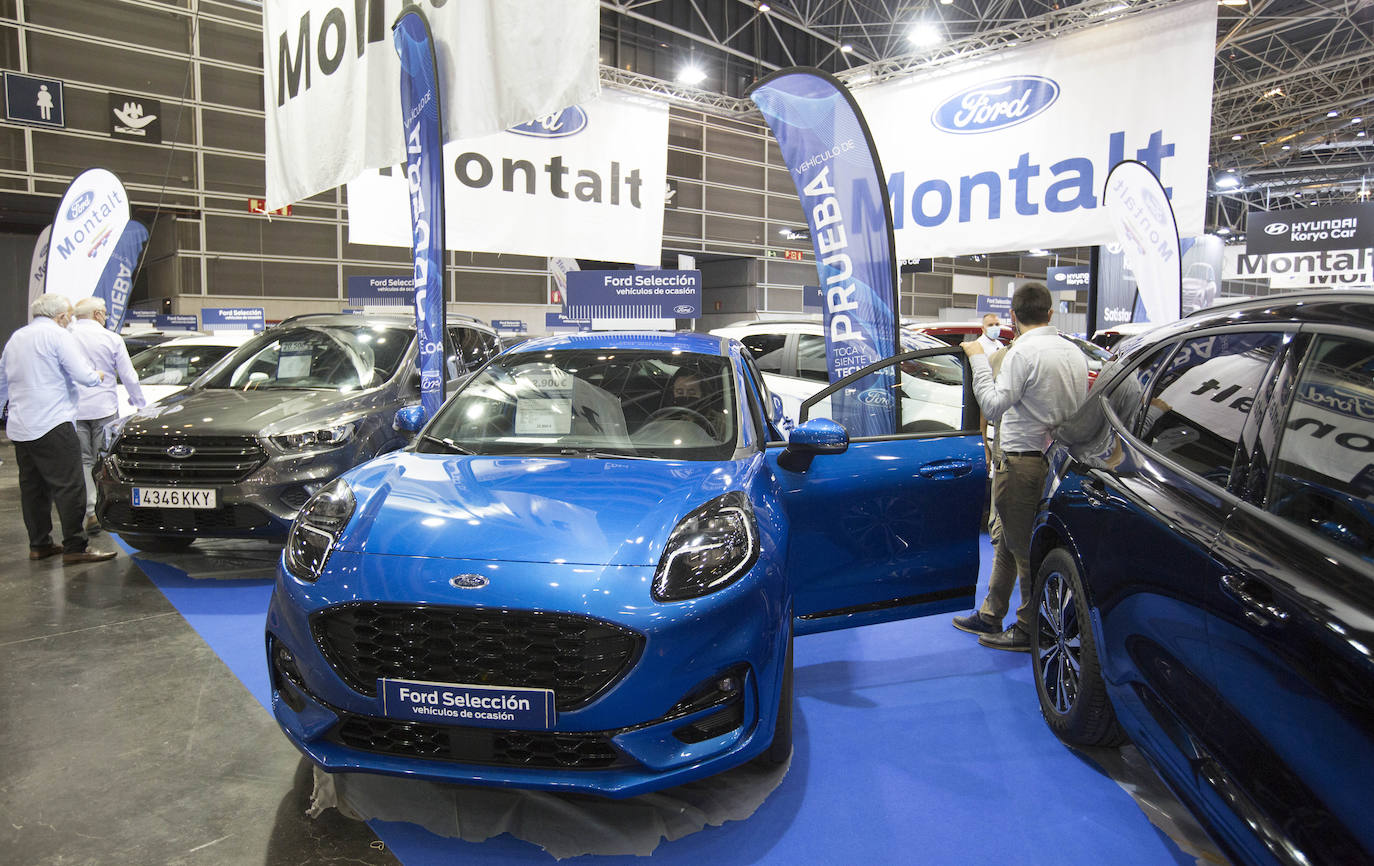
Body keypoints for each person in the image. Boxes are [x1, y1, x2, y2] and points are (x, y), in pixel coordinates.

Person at [952, 283, 1088, 651]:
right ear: (1050, 314)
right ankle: (992, 612)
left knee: (1023, 549)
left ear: (1013, 316)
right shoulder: (1074, 353)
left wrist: (978, 359)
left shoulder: (1023, 353)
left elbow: (994, 406)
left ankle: (1030, 627)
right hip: (1057, 463)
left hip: (1021, 462)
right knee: (1010, 543)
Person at [0, 294, 117, 563]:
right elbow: (83, 376)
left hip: (20, 426)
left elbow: (2, 382)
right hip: (53, 423)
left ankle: (39, 544)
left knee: (33, 489)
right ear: (61, 316)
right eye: (69, 317)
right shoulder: (58, 336)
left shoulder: (16, 338)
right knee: (69, 486)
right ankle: (75, 547)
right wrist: (97, 376)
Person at [71, 296, 146, 531]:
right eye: (104, 312)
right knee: (104, 459)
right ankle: (109, 508)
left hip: (73, 409)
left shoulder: (65, 337)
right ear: (97, 314)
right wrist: (139, 404)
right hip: (103, 407)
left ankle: (91, 510)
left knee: (83, 460)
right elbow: (128, 375)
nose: (105, 317)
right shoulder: (111, 338)